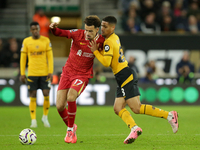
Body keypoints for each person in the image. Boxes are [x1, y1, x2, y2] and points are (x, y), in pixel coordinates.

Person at [88, 16, 179, 144]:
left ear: (113, 27)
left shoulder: (109, 42)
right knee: (118, 108)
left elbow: (106, 63)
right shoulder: (114, 37)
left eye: (105, 26)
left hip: (124, 75)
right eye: (102, 26)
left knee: (136, 108)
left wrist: (95, 51)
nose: (102, 28)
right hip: (123, 75)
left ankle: (169, 116)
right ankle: (134, 128)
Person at [49, 15, 104, 144]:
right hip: (68, 72)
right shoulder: (77, 34)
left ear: (97, 29)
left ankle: (69, 130)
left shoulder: (101, 41)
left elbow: (106, 58)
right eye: (86, 30)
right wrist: (53, 29)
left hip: (82, 75)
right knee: (59, 106)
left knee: (71, 97)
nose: (88, 33)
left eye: (91, 31)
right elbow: (60, 33)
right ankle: (72, 126)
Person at [20, 22, 54, 128]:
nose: (35, 31)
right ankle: (33, 120)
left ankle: (45, 117)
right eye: (33, 29)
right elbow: (23, 58)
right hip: (32, 73)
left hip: (44, 73)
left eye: (37, 29)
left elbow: (50, 57)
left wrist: (50, 71)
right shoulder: (26, 41)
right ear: (31, 30)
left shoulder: (46, 40)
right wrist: (22, 73)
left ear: (39, 29)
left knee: (46, 93)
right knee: (33, 95)